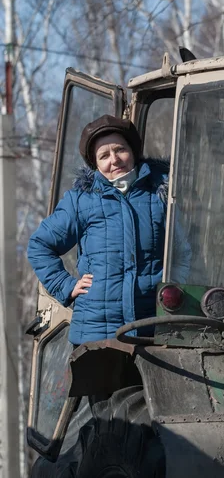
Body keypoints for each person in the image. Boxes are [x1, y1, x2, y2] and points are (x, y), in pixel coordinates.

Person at [28, 114, 190, 345]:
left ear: (132, 151)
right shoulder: (81, 200)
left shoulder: (161, 194)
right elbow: (39, 245)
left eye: (120, 150)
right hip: (96, 334)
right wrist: (66, 285)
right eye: (104, 155)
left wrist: (175, 286)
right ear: (95, 164)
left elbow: (183, 250)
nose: (114, 159)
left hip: (154, 327)